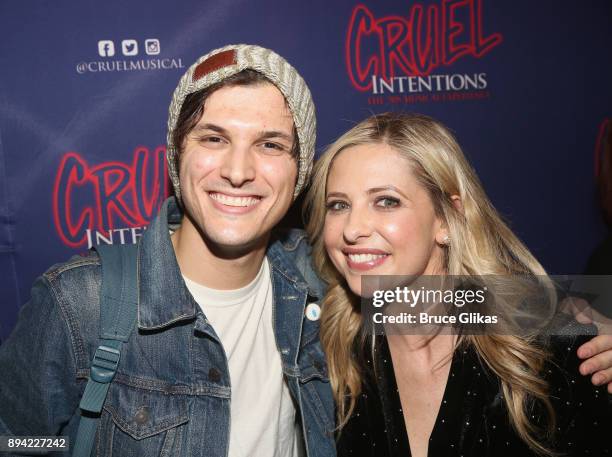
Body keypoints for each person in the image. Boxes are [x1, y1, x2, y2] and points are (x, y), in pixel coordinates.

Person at [0, 44, 334, 457]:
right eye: (214, 138)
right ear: (177, 154)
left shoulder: (320, 276)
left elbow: (426, 314)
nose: (238, 171)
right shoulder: (78, 301)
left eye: (269, 145)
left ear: (299, 169)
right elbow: (14, 441)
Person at [304, 112, 611, 457]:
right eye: (338, 205)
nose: (352, 228)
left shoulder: (549, 350)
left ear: (448, 220)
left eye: (386, 201)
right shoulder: (333, 354)